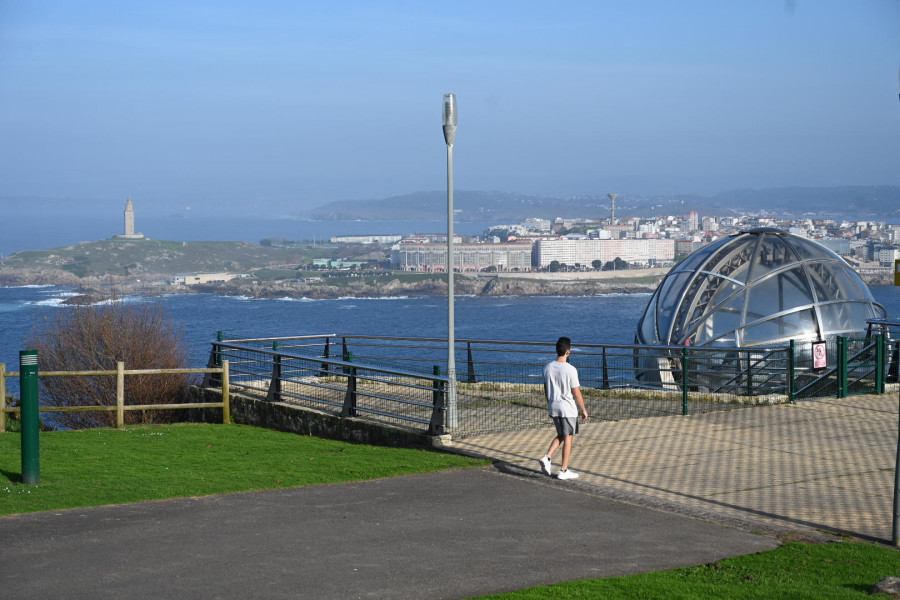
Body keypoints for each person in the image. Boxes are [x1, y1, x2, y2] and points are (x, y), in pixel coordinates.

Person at [538, 336, 588, 480]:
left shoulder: (547, 367)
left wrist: (550, 403)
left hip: (554, 406)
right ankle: (564, 470)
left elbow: (546, 389)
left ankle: (547, 458)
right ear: (568, 351)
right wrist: (583, 409)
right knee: (568, 437)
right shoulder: (570, 369)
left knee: (561, 434)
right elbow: (576, 393)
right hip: (567, 408)